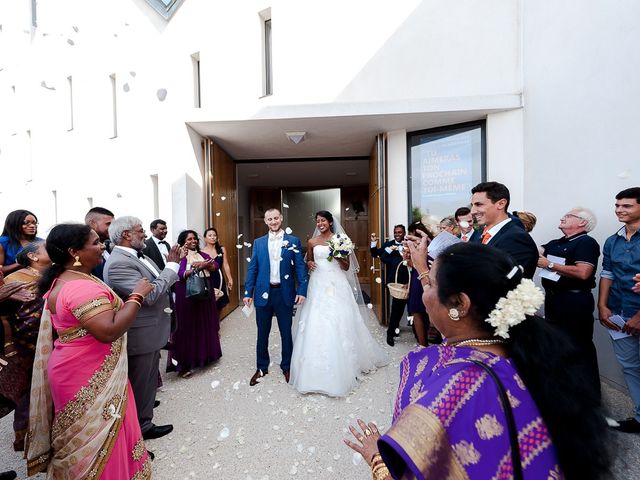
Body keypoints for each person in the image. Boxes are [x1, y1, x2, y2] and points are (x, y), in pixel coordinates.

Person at [345, 239, 610, 480]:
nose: (425, 292)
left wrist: (377, 459)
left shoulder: (458, 387)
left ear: (460, 304)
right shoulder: (528, 353)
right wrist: (423, 270)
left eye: (432, 284)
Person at [26, 223, 154, 478]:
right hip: (86, 374)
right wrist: (137, 296)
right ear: (75, 252)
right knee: (99, 438)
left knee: (100, 435)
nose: (102, 246)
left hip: (79, 366)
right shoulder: (80, 287)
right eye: (95, 242)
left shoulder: (67, 278)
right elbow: (108, 331)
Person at [289, 211, 388, 396]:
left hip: (336, 283)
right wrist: (310, 263)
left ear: (330, 222)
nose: (320, 223)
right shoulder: (312, 242)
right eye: (317, 221)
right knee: (316, 320)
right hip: (318, 284)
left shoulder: (340, 239)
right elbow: (309, 260)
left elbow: (346, 266)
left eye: (323, 220)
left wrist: (336, 253)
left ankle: (345, 364)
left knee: (339, 318)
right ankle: (312, 369)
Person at [104, 216, 181, 441]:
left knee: (148, 381)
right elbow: (150, 295)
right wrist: (172, 267)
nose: (144, 234)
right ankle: (134, 436)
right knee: (139, 383)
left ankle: (145, 424)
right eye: (140, 231)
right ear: (126, 235)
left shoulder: (142, 255)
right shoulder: (118, 263)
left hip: (153, 329)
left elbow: (157, 284)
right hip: (140, 332)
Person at [538, 207, 601, 399]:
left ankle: (589, 398)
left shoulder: (586, 243)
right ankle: (565, 391)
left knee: (578, 346)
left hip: (574, 301)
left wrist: (549, 264)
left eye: (567, 216)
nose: (562, 218)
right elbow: (535, 251)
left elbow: (583, 273)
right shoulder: (557, 243)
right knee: (556, 345)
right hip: (553, 299)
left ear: (582, 222)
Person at [243, 207, 308, 386]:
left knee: (286, 332)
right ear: (265, 221)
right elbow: (253, 268)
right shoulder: (258, 243)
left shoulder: (293, 241)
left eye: (276, 218)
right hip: (264, 293)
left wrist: (302, 290)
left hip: (284, 293)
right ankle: (261, 367)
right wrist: (248, 292)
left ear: (281, 219)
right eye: (269, 219)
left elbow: (300, 268)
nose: (273, 222)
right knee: (262, 333)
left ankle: (287, 366)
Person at [0, 241, 50, 451]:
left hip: (48, 342)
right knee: (26, 393)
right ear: (33, 257)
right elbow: (4, 315)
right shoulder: (14, 279)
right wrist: (10, 346)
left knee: (48, 390)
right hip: (23, 345)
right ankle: (25, 439)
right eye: (46, 248)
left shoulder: (54, 275)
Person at [598, 187, 640, 433]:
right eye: (617, 206)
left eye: (626, 206)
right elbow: (608, 273)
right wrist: (602, 306)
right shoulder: (612, 240)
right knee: (631, 367)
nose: (619, 210)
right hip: (619, 314)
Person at [167, 229, 222, 378]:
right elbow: (178, 274)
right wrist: (197, 267)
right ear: (182, 241)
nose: (193, 241)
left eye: (194, 239)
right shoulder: (179, 257)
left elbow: (215, 266)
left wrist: (208, 265)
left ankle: (205, 356)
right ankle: (184, 364)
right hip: (186, 296)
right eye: (189, 239)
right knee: (186, 327)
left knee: (204, 324)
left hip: (205, 295)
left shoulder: (203, 255)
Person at [470, 181, 539, 278]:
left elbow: (509, 280)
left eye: (479, 204)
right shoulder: (478, 234)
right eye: (472, 205)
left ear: (501, 204)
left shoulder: (517, 238)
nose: (472, 211)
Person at [370, 224, 409, 346]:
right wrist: (373, 244)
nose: (397, 234)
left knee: (412, 308)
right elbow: (375, 254)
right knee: (396, 308)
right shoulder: (389, 244)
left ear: (404, 233)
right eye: (395, 232)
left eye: (400, 232)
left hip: (411, 280)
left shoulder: (409, 244)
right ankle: (391, 333)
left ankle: (419, 334)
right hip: (395, 281)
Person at [0, 209, 41, 275]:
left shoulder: (41, 242)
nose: (32, 226)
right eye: (26, 223)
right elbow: (0, 270)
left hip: (39, 281)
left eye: (34, 223)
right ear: (14, 224)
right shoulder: (2, 242)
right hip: (8, 283)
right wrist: (20, 263)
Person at [202, 227, 233, 310]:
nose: (213, 237)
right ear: (205, 238)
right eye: (210, 235)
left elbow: (225, 264)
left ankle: (217, 323)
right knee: (209, 305)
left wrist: (230, 278)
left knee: (220, 305)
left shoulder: (221, 249)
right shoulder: (202, 252)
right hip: (208, 279)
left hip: (220, 278)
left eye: (214, 235)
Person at [85, 207, 115, 280]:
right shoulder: (85, 253)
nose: (113, 228)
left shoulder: (110, 248)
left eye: (114, 224)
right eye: (108, 224)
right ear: (92, 224)